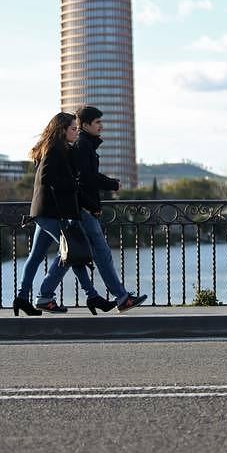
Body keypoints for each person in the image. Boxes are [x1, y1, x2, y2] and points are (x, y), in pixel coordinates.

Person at [13, 112, 114, 316]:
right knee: (72, 251)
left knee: (36, 256)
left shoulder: (56, 148)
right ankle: (87, 295)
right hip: (50, 212)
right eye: (73, 129)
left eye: (77, 128)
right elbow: (47, 178)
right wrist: (73, 184)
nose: (76, 132)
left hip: (44, 211)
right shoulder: (54, 149)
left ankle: (23, 298)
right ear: (62, 130)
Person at [73, 105, 147, 313]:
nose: (101, 126)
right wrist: (112, 184)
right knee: (99, 254)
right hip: (85, 210)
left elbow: (88, 177)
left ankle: (44, 294)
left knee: (71, 256)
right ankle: (121, 297)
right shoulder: (83, 145)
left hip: (86, 209)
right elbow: (87, 178)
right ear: (85, 125)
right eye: (97, 122)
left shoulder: (86, 144)